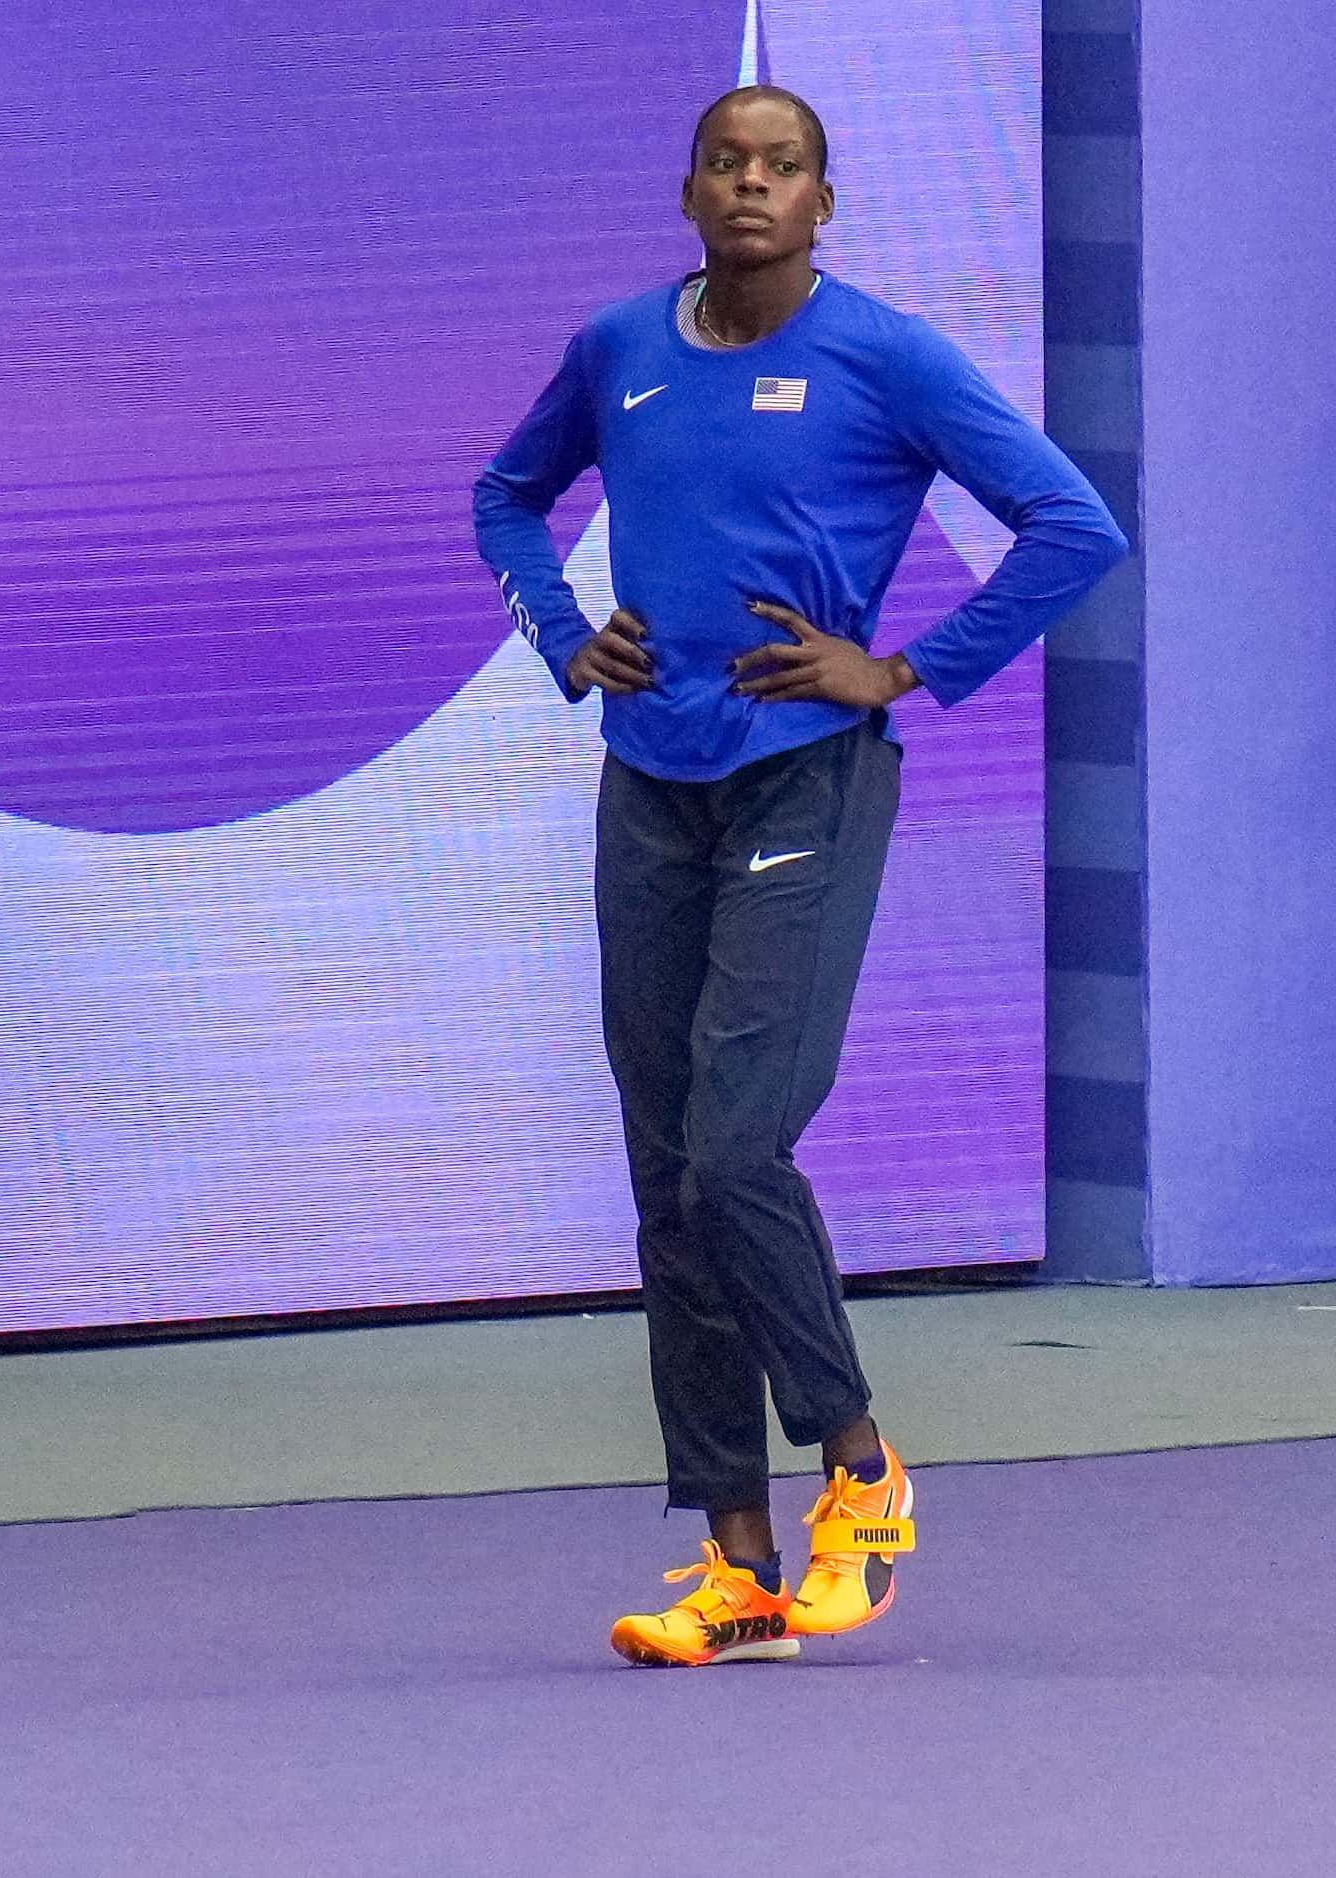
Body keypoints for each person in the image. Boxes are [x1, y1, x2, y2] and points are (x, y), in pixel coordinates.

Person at [471, 86, 1126, 1666]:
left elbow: (1070, 522)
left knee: (733, 1145)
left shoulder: (883, 356)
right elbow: (503, 496)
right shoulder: (620, 347)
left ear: (822, 203)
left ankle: (862, 1471)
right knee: (665, 1180)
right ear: (687, 187)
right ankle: (741, 1562)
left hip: (805, 783)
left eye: (783, 169)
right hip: (649, 786)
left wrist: (902, 669)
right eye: (727, 163)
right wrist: (567, 638)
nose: (752, 186)